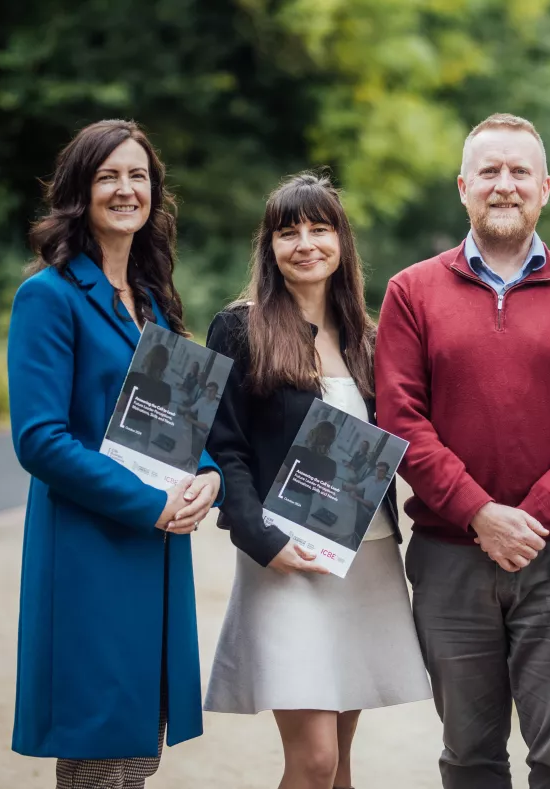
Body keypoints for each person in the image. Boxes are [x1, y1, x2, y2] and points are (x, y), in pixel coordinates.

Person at [376, 113, 550, 788]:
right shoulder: (411, 292)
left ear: (544, 188)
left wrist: (531, 516)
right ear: (463, 187)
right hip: (451, 557)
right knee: (470, 756)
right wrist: (479, 513)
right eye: (489, 171)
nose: (504, 184)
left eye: (520, 171)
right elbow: (400, 418)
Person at [7, 119, 223, 788]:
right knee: (101, 759)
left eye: (138, 176)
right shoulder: (46, 297)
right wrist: (152, 504)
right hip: (89, 553)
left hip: (154, 556)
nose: (127, 189)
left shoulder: (153, 304)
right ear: (80, 190)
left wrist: (209, 475)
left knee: (139, 754)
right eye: (109, 176)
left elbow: (179, 423)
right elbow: (40, 439)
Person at [203, 172, 431, 789]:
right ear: (269, 246)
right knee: (314, 761)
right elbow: (225, 450)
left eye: (319, 228)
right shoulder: (238, 328)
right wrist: (262, 539)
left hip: (367, 557)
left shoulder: (369, 335)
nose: (305, 243)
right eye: (288, 231)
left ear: (341, 241)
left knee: (343, 763)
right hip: (285, 561)